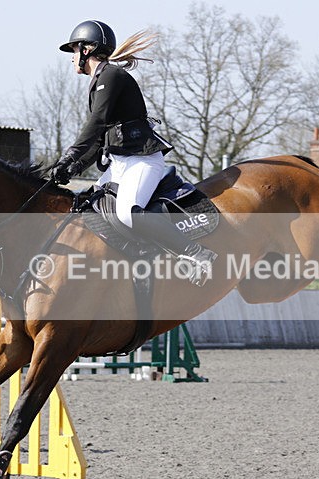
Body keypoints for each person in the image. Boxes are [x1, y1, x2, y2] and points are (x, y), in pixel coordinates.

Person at [51, 20, 217, 286]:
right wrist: (74, 167)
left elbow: (96, 123)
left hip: (141, 161)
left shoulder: (111, 76)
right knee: (87, 207)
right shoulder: (99, 81)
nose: (72, 58)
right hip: (118, 164)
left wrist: (69, 155)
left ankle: (196, 253)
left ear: (86, 50)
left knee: (128, 212)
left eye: (74, 50)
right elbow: (99, 138)